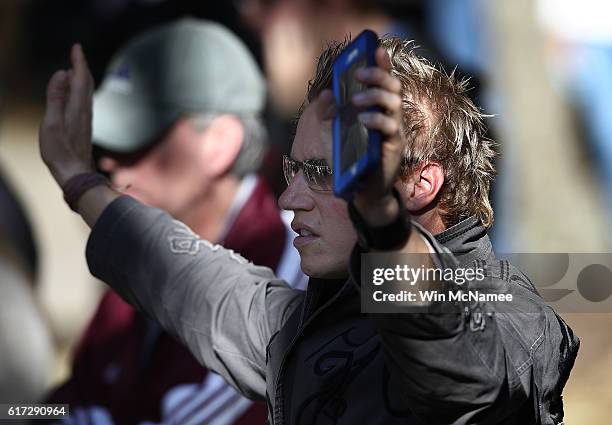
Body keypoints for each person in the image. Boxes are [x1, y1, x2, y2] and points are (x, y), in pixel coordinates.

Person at [39, 33, 579, 424]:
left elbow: (455, 363)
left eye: (323, 174)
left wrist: (383, 225)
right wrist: (79, 180)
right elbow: (187, 276)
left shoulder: (512, 312)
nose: (291, 198)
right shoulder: (307, 322)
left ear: (419, 185)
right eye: (292, 170)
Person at [44, 19, 306, 425]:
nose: (110, 160)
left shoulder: (298, 258)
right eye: (106, 141)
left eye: (137, 136)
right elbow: (67, 403)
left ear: (219, 143)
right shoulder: (134, 265)